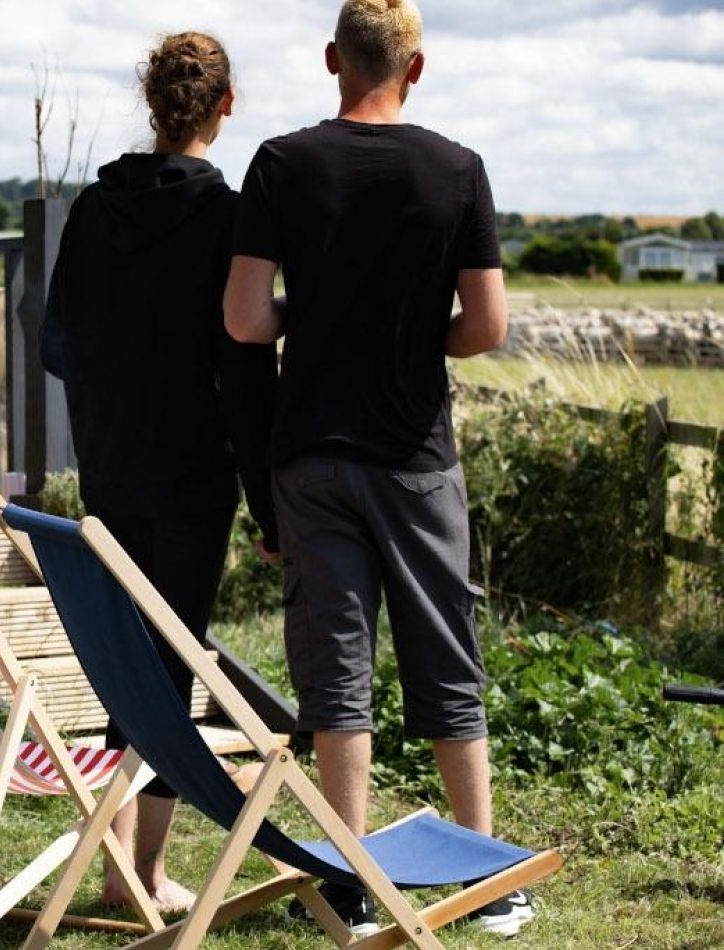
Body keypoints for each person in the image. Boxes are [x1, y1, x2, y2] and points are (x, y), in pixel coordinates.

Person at [223, 0, 532, 937]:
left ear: (332, 61)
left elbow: (244, 320)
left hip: (310, 449)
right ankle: (485, 881)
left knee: (336, 669)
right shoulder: (457, 170)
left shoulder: (281, 163)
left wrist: (312, 326)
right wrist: (409, 341)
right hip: (414, 454)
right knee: (446, 656)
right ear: (417, 67)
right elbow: (484, 329)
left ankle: (351, 877)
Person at [42, 31, 279, 914]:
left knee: (120, 661)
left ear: (154, 105)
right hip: (191, 472)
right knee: (169, 664)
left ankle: (120, 864)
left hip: (109, 463)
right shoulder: (227, 216)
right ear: (225, 107)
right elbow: (246, 367)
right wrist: (270, 505)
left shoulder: (97, 209)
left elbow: (54, 344)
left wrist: (118, 382)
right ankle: (136, 871)